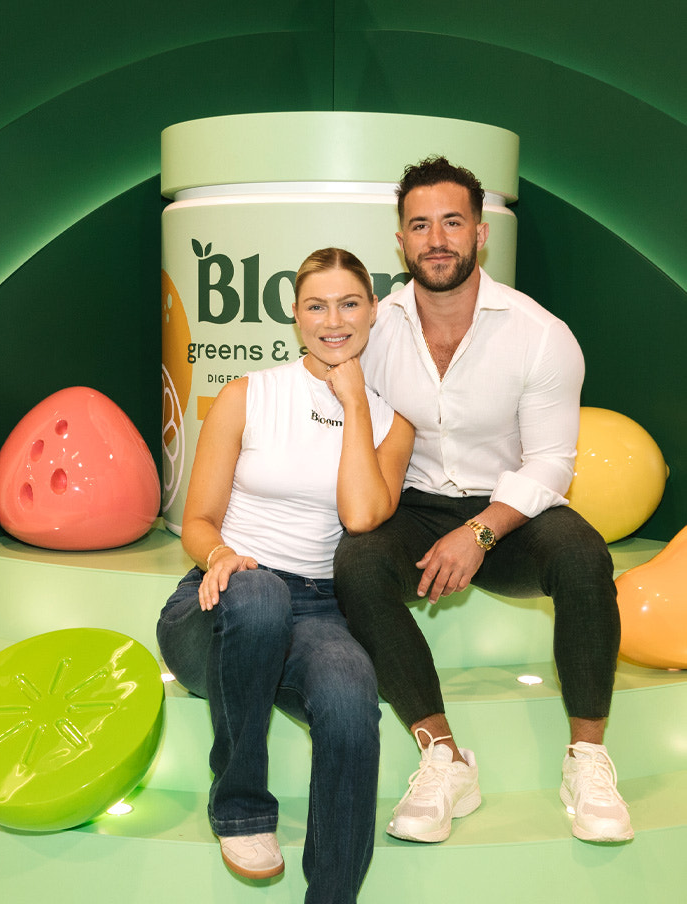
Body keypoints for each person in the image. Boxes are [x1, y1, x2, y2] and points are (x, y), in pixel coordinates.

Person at [334, 156, 634, 846]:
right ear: (402, 240)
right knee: (356, 564)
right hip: (413, 505)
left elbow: (552, 462)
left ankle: (586, 758)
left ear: (479, 234)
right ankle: (444, 758)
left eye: (451, 222)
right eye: (419, 225)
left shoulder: (539, 334)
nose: (436, 239)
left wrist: (481, 532)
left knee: (585, 557)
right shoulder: (374, 329)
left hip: (511, 512)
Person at [156, 248, 414, 903]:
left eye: (350, 303)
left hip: (317, 610)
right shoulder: (249, 395)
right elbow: (199, 521)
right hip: (221, 602)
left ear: (373, 311)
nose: (334, 320)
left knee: (353, 700)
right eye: (317, 305)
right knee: (262, 593)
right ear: (295, 315)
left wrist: (355, 403)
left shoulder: (392, 425)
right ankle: (240, 806)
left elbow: (361, 515)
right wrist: (218, 557)